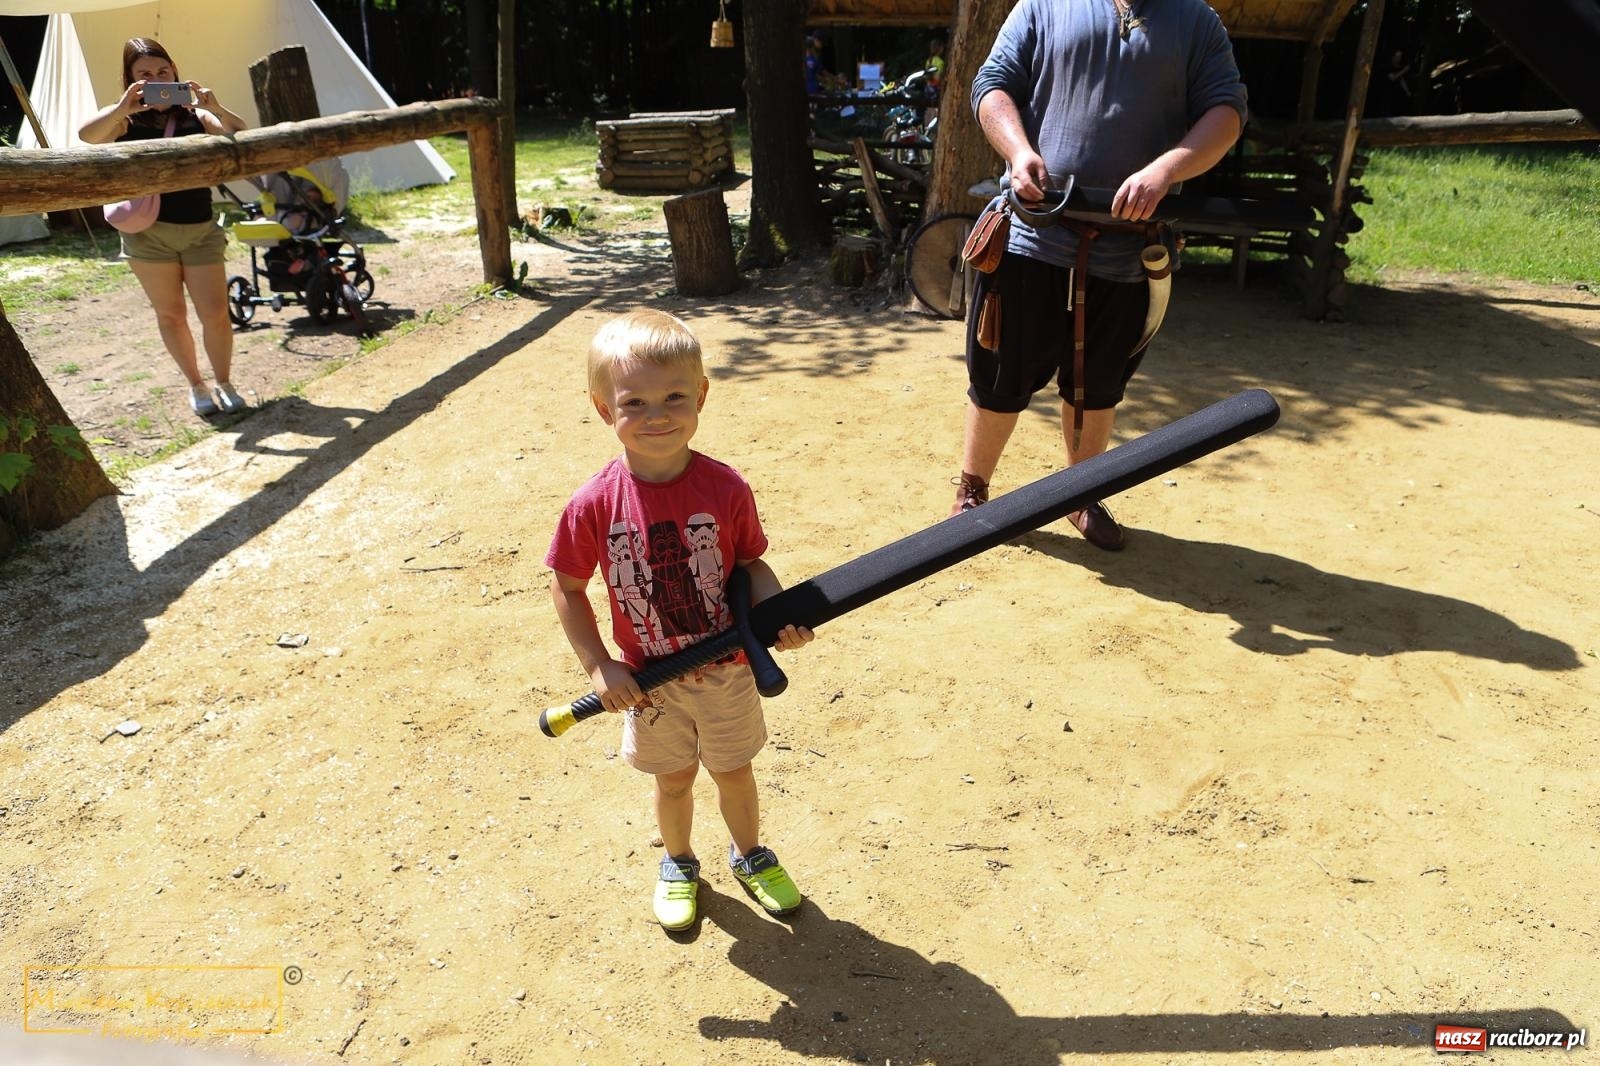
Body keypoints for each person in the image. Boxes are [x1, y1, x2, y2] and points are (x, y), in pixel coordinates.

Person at [547, 309, 815, 932]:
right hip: (650, 682)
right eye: (633, 401)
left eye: (673, 397)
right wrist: (600, 665)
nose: (657, 415)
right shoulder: (593, 506)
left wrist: (779, 620)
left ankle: (749, 855)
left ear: (701, 396)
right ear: (601, 408)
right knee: (672, 782)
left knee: (734, 772)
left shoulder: (725, 488)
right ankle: (678, 861)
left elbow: (751, 563)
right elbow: (567, 588)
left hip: (726, 671)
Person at [949, 0, 1248, 550]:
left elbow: (1226, 112)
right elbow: (992, 85)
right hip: (1031, 234)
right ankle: (972, 489)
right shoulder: (1042, 4)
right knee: (999, 371)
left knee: (1099, 383)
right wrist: (1018, 153)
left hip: (1129, 249)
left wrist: (1165, 170)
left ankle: (1080, 493)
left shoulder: (1196, 20)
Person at [79, 38, 249, 418]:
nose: (156, 79)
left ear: (175, 71)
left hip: (200, 229)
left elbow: (238, 134)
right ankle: (196, 384)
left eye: (163, 71)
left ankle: (223, 381)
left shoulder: (194, 115)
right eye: (144, 75)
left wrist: (214, 105)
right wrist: (124, 106)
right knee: (171, 315)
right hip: (147, 234)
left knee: (216, 314)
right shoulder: (123, 118)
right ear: (130, 80)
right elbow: (87, 137)